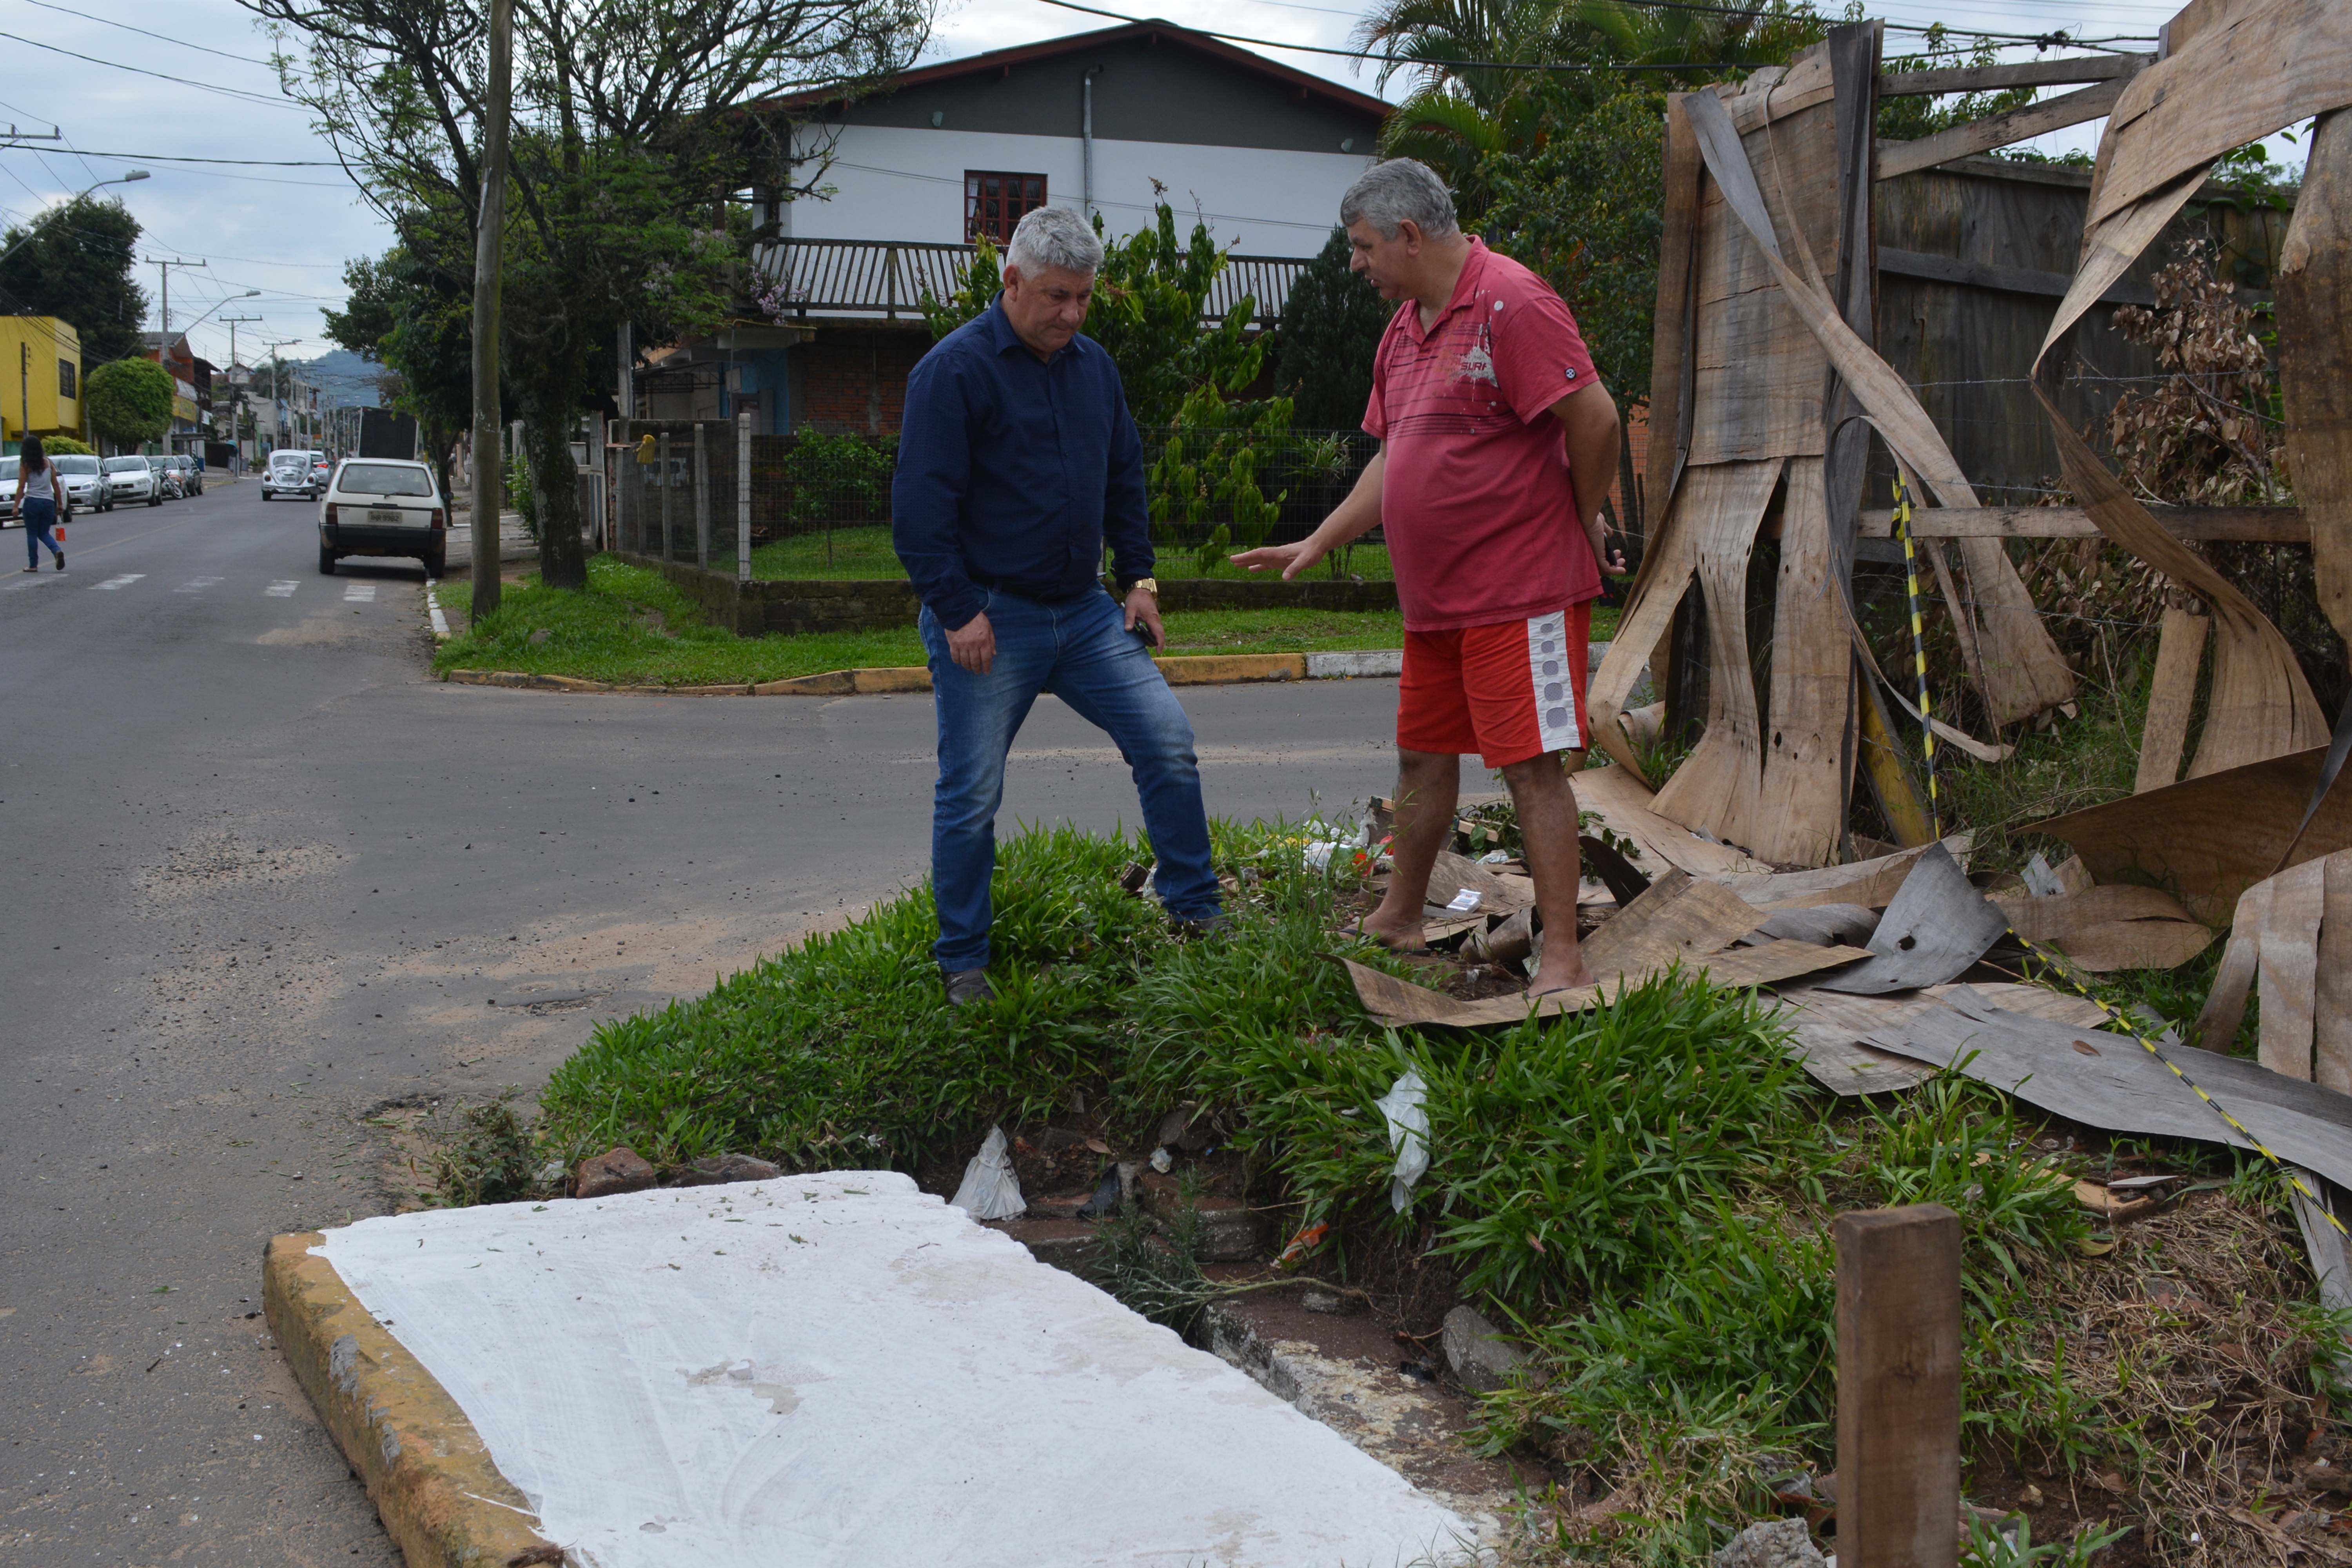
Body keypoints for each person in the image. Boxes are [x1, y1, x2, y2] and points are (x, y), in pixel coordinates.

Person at [1233, 159, 1623, 995]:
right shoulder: (1404, 327)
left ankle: (1563, 954)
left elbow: (1595, 418)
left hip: (1519, 593)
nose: (1355, 263)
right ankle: (1401, 914)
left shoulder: (1512, 302)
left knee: (1530, 768)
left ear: (1409, 236)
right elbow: (1393, 456)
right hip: (1437, 603)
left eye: (1362, 246)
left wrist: (1578, 516)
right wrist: (1317, 540)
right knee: (1420, 757)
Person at [893, 204, 1225, 1006]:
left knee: (1169, 742)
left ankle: (1196, 910)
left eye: (1084, 297)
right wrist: (956, 609)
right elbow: (919, 506)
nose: (1073, 314)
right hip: (989, 616)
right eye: (1057, 297)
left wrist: (1140, 580)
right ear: (1012, 281)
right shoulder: (953, 371)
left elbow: (1124, 476)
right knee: (971, 792)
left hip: (1083, 613)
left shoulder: (1094, 369)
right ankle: (963, 959)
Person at [16, 434, 62, 573]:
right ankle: (57, 551)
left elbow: (22, 486)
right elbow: (56, 484)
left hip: (32, 502)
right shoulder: (49, 463)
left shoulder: (25, 464)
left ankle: (33, 565)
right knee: (44, 532)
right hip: (48, 503)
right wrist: (60, 504)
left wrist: (16, 505)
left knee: (32, 533)